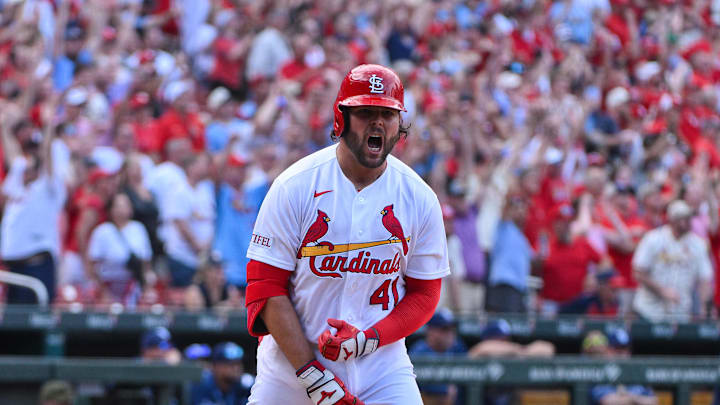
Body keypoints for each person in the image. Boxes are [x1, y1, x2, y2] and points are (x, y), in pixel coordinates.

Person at [245, 64, 449, 405]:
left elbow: (425, 294)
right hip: (292, 370)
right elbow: (265, 289)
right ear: (342, 119)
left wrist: (369, 338)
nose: (378, 123)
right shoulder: (295, 186)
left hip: (381, 368)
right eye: (366, 112)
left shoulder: (419, 197)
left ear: (401, 125)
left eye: (387, 113)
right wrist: (315, 378)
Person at [632, 200, 713, 322]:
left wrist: (704, 307)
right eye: (682, 218)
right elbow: (638, 272)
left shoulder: (698, 244)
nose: (687, 222)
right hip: (649, 310)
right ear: (672, 220)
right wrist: (662, 290)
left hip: (681, 312)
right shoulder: (653, 239)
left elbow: (705, 279)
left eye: (688, 218)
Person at [87, 193, 153, 306]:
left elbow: (146, 262)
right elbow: (92, 264)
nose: (121, 209)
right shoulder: (102, 231)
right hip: (107, 286)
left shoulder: (138, 229)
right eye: (118, 206)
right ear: (111, 209)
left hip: (132, 286)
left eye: (125, 205)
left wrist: (146, 286)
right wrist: (103, 291)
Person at [408, 309, 467, 405]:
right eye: (444, 329)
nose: (449, 334)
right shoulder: (419, 351)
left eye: (451, 329)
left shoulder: (457, 347)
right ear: (431, 331)